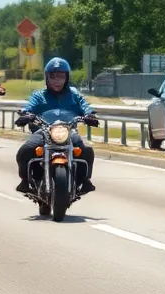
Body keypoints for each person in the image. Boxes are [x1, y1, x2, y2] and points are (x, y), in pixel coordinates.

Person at [14, 57, 100, 195]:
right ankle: (25, 180)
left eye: (61, 76)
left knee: (86, 151)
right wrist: (25, 114)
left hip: (68, 131)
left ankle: (85, 181)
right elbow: (29, 107)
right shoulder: (39, 95)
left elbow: (85, 106)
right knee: (26, 149)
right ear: (47, 77)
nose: (57, 81)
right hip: (44, 131)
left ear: (67, 78)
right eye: (53, 77)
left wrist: (90, 115)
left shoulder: (74, 95)